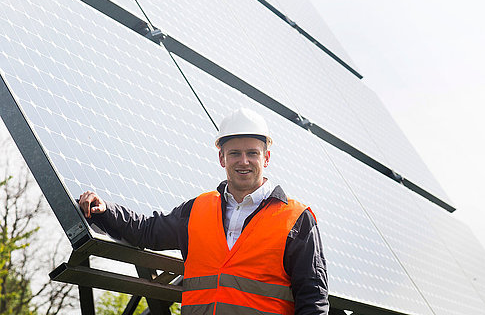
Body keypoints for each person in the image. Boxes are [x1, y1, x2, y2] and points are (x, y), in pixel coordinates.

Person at [78, 108, 329, 315]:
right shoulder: (197, 210)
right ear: (222, 158)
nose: (243, 161)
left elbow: (313, 300)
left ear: (266, 158)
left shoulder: (297, 219)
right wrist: (105, 210)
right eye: (234, 154)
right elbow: (145, 231)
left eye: (252, 153)